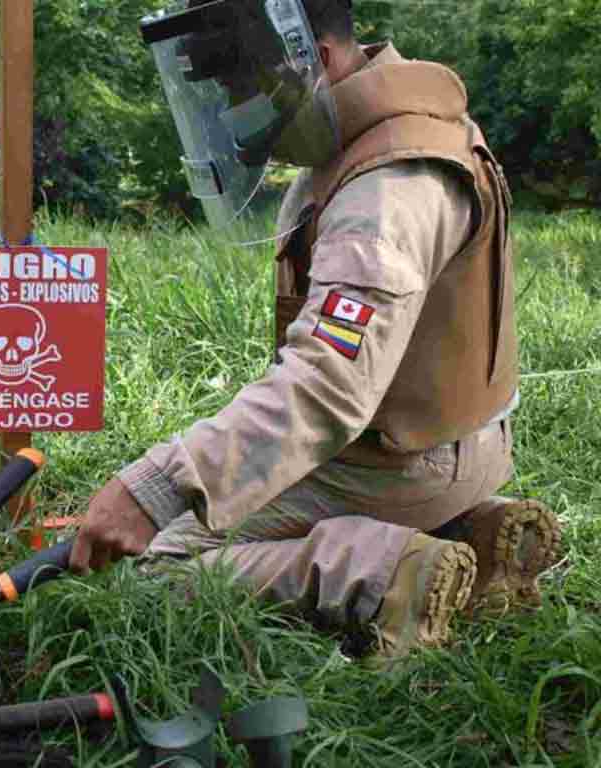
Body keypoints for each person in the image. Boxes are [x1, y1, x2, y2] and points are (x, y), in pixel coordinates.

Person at [69, 0, 561, 663]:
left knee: (149, 565)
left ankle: (381, 570)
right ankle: (472, 531)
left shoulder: (387, 188)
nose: (236, 111)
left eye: (241, 86)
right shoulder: (391, 130)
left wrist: (155, 488)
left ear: (313, 59)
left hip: (395, 463)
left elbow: (327, 386)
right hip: (452, 440)